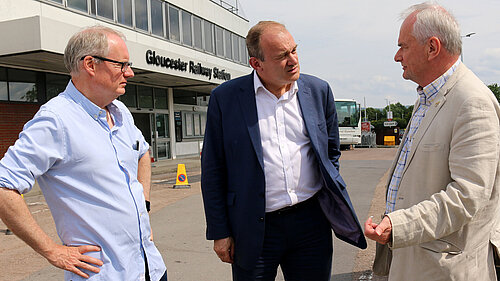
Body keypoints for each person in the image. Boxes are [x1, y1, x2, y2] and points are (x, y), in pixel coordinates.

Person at [201, 21, 366, 280]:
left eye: (294, 50)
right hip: (253, 226)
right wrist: (220, 231)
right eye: (281, 56)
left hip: (311, 224)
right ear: (257, 64)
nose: (293, 60)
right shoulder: (226, 98)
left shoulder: (318, 91)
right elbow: (213, 169)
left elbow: (331, 151)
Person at [0, 26, 167, 281]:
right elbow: (3, 186)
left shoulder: (121, 113)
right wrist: (52, 251)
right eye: (121, 65)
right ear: (90, 64)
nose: (129, 73)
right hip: (105, 274)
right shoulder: (56, 120)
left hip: (151, 268)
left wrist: (143, 206)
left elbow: (142, 153)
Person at [364, 2, 500, 280]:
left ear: (432, 47)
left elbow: (467, 196)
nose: (396, 56)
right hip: (417, 260)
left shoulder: (471, 102)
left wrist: (398, 224)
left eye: (403, 46)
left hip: (443, 268)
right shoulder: (427, 98)